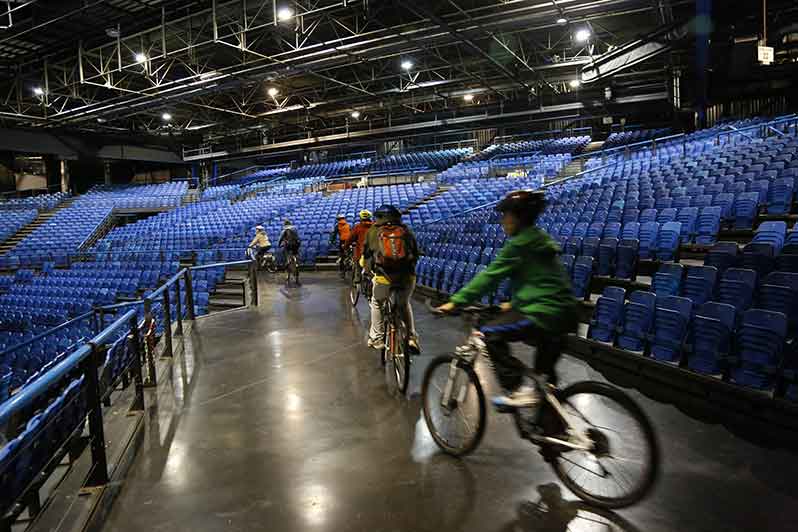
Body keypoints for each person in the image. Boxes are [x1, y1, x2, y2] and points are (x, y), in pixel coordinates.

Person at [436, 190, 578, 409]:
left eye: (506, 215)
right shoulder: (540, 239)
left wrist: (456, 301)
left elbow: (489, 277)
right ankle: (557, 434)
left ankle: (515, 388)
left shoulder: (519, 244)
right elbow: (542, 281)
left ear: (518, 217)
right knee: (544, 382)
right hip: (564, 312)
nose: (503, 220)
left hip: (543, 313)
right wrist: (514, 303)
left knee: (489, 334)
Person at [362, 204, 420, 354]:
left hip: (383, 278)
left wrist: (368, 272)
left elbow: (367, 255)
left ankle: (377, 338)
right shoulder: (406, 231)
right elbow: (415, 253)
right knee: (404, 304)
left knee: (377, 302)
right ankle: (412, 338)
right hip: (406, 277)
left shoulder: (373, 232)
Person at [346, 209, 374, 282]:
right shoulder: (375, 226)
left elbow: (350, 239)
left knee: (357, 263)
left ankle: (357, 279)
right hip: (374, 253)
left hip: (361, 253)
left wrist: (345, 246)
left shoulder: (358, 227)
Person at [278, 219, 301, 285]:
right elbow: (298, 237)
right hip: (296, 244)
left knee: (287, 254)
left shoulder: (285, 229)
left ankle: (288, 262)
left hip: (288, 245)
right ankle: (296, 260)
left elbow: (281, 238)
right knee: (295, 254)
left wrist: (279, 244)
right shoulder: (295, 228)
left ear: (285, 224)